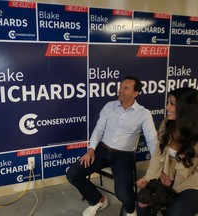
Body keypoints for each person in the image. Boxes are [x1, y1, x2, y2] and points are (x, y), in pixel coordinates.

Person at [66, 76, 158, 216]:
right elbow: (98, 129)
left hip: (124, 156)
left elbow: (151, 139)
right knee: (73, 173)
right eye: (121, 87)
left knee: (123, 194)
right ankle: (98, 200)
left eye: (125, 88)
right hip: (102, 150)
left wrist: (156, 165)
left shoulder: (144, 114)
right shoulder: (110, 106)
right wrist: (91, 150)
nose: (121, 90)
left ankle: (131, 211)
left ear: (135, 93)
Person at [136, 87, 198, 216]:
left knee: (174, 212)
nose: (167, 107)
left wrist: (173, 191)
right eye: (167, 103)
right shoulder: (166, 123)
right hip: (167, 176)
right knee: (142, 204)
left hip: (192, 184)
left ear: (186, 108)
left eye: (172, 104)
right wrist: (151, 176)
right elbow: (158, 154)